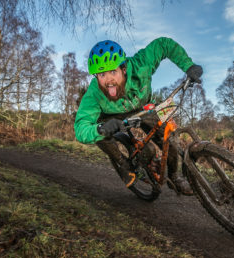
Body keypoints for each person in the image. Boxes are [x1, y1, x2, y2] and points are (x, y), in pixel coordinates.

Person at [74, 37, 203, 195]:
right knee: (100, 133)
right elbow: (81, 127)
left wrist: (188, 65)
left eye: (112, 71)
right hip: (111, 116)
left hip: (143, 107)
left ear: (124, 68)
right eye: (101, 75)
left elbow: (163, 45)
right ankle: (122, 164)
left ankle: (174, 176)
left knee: (169, 139)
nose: (108, 81)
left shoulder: (141, 64)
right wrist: (100, 129)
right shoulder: (94, 92)